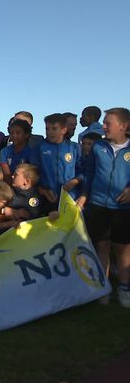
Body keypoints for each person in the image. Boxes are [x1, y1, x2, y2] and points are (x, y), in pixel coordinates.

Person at [77, 107, 130, 307]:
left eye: (108, 123)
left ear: (123, 126)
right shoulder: (99, 147)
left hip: (124, 208)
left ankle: (124, 288)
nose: (104, 126)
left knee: (123, 249)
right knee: (102, 245)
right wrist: (84, 195)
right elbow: (89, 173)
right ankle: (103, 286)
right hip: (98, 204)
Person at [34, 113, 82, 209]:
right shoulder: (39, 148)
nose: (49, 132)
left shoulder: (74, 147)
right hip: (47, 198)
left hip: (70, 197)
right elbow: (34, 172)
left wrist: (75, 181)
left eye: (54, 128)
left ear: (64, 130)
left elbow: (83, 170)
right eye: (47, 129)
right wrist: (42, 190)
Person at [0, 163, 47, 229]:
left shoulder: (33, 200)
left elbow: (30, 220)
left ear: (26, 181)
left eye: (16, 175)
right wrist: (5, 210)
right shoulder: (8, 190)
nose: (12, 176)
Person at [0, 119, 32, 185]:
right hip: (9, 185)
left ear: (26, 134)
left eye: (18, 133)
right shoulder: (4, 151)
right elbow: (7, 174)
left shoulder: (32, 152)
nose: (14, 135)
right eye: (11, 133)